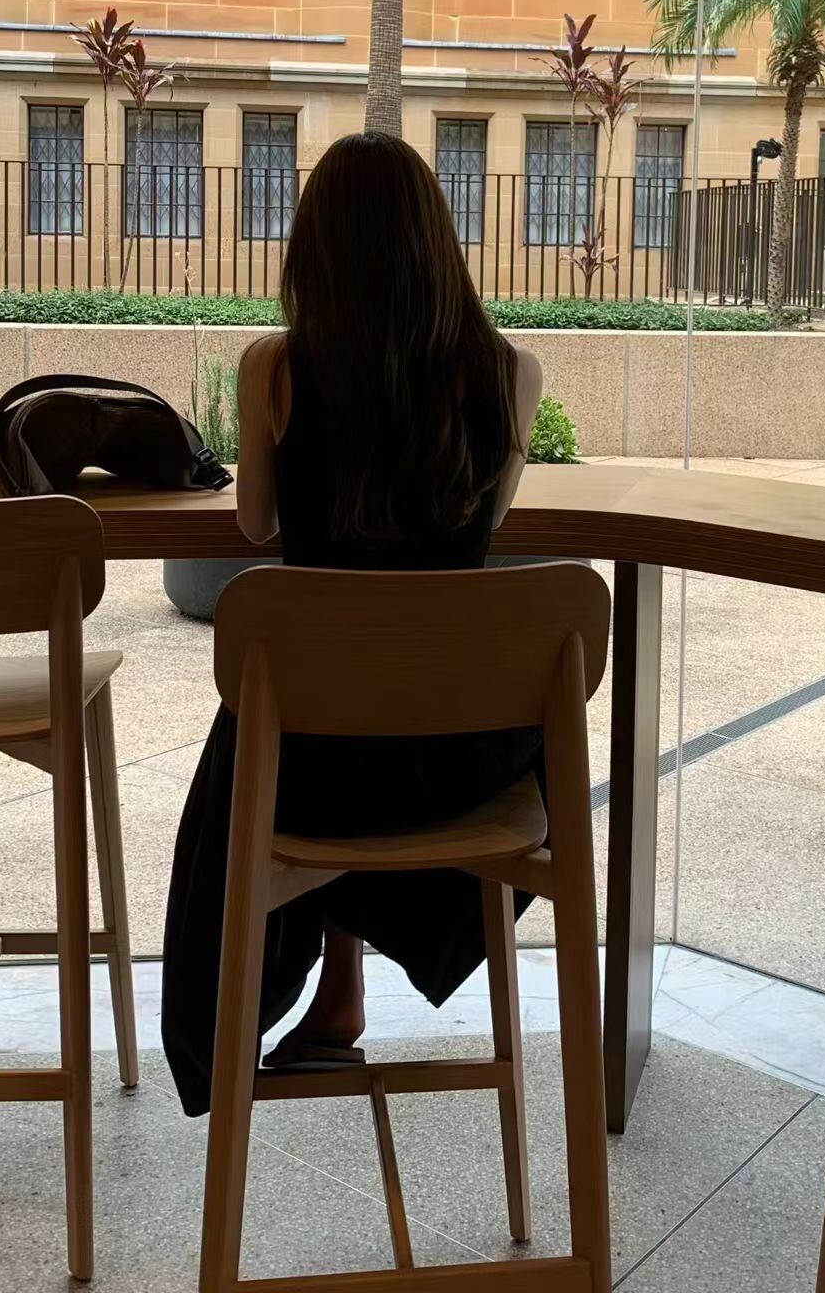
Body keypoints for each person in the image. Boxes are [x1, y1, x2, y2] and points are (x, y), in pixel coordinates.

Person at [162, 132, 544, 1115]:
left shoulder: (275, 368)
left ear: (313, 249)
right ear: (437, 243)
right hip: (461, 765)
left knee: (292, 718)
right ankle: (342, 989)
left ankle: (287, 1009)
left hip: (317, 767)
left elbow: (255, 524)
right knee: (374, 699)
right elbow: (488, 527)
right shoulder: (509, 372)